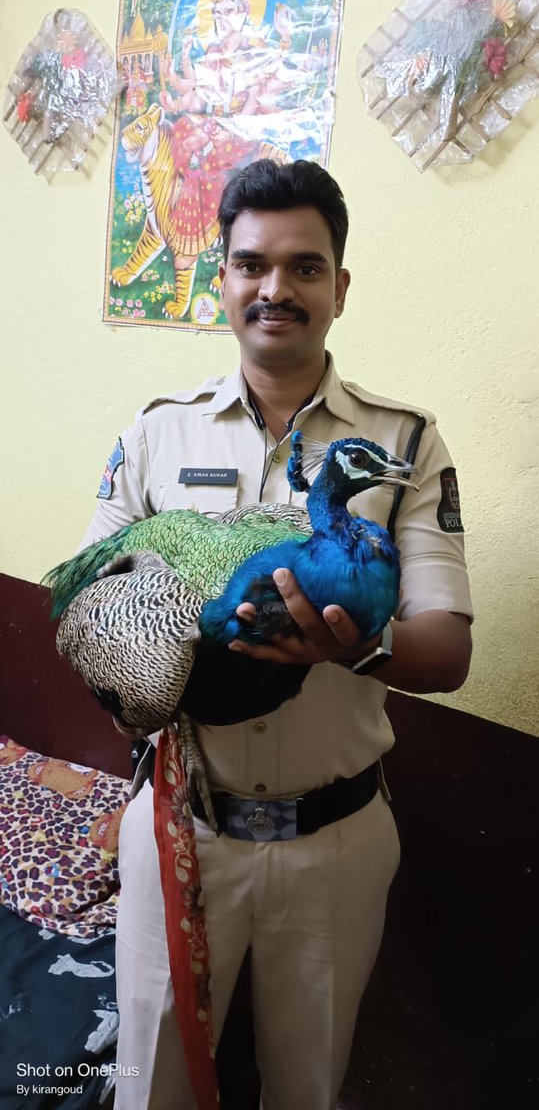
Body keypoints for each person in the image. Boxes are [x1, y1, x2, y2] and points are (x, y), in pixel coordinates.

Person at [80, 159, 473, 1110]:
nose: (275, 287)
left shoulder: (406, 443)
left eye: (305, 266)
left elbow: (448, 650)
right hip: (181, 821)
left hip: (335, 841)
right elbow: (94, 608)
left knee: (307, 1090)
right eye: (250, 263)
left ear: (339, 287)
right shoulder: (154, 435)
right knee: (153, 1086)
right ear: (220, 279)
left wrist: (353, 647)